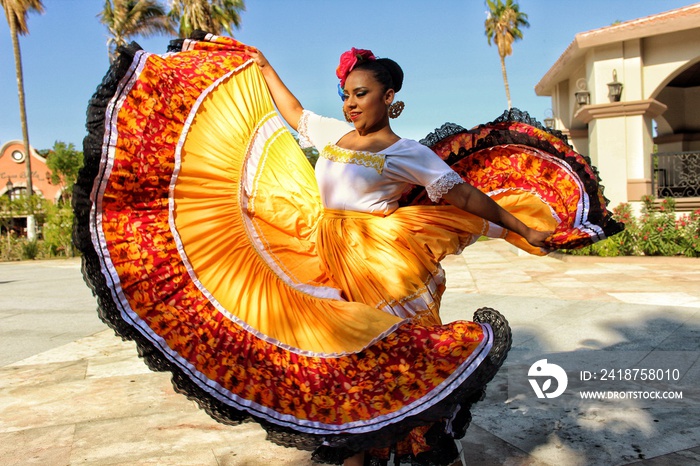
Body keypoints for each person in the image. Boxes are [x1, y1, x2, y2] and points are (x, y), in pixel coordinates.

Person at [74, 33, 622, 466]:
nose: (351, 101)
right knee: (336, 354)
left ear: (391, 100)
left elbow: (463, 195)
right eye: (347, 93)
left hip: (378, 257)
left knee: (381, 354)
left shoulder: (408, 153)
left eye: (362, 94)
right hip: (319, 244)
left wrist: (519, 228)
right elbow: (290, 111)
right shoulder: (332, 133)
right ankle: (355, 449)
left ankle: (418, 444)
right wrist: (260, 64)